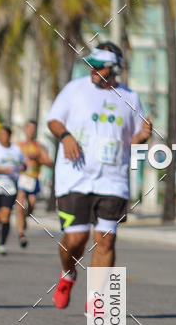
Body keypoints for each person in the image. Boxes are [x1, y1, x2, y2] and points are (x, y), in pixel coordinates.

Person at [46, 41, 152, 309]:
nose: (93, 70)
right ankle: (68, 272)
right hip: (75, 177)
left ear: (114, 68)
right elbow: (54, 119)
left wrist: (142, 136)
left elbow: (131, 140)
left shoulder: (130, 98)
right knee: (76, 239)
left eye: (99, 66)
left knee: (106, 238)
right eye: (91, 66)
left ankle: (96, 298)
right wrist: (66, 136)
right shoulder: (74, 90)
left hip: (113, 179)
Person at [0, 125, 26, 255]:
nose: (1, 137)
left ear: (9, 136)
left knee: (6, 214)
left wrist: (22, 167)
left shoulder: (16, 149)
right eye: (0, 134)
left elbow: (24, 164)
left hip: (10, 184)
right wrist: (2, 170)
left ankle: (2, 244)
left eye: (4, 134)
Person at [16, 119, 54, 247]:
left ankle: (25, 218)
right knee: (20, 205)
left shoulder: (40, 147)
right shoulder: (18, 146)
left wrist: (38, 158)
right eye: (29, 129)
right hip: (21, 179)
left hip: (33, 180)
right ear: (25, 130)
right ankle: (21, 234)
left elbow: (50, 163)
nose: (31, 132)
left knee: (31, 205)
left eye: (33, 129)